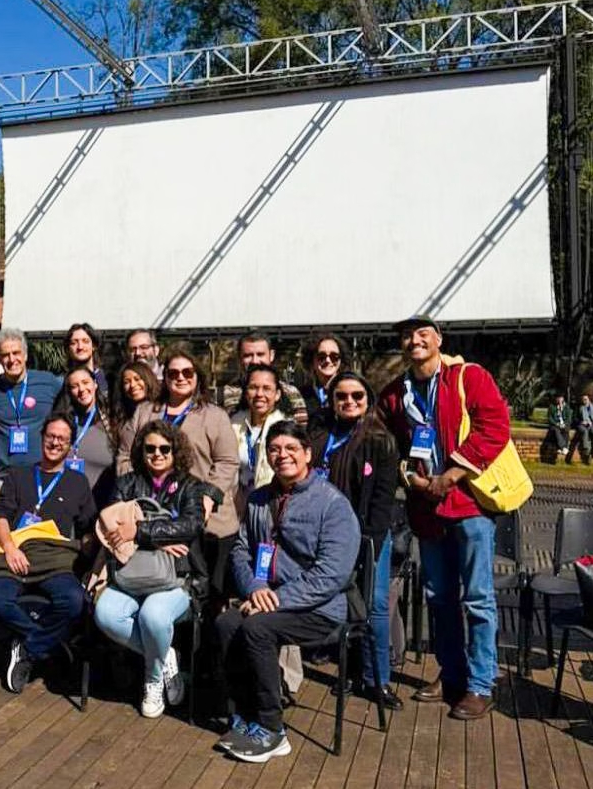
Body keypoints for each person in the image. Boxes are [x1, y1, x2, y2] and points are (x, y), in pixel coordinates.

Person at [378, 315, 512, 720]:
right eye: (406, 336)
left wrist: (451, 475)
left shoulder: (467, 377)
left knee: (477, 598)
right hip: (427, 509)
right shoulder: (395, 393)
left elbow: (495, 426)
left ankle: (480, 683)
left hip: (469, 505)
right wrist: (411, 479)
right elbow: (390, 444)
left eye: (422, 334)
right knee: (439, 598)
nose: (413, 341)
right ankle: (452, 674)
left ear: (439, 339)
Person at [215, 421, 360, 762]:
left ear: (308, 454)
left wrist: (276, 600)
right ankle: (244, 715)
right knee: (225, 624)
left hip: (319, 609)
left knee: (256, 629)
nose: (283, 456)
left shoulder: (332, 505)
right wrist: (256, 587)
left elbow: (331, 575)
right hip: (266, 598)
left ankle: (271, 728)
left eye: (291, 449)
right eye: (275, 450)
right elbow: (241, 550)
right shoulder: (259, 498)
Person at [94, 420, 211, 719]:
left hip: (177, 578)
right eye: (150, 448)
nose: (157, 454)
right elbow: (111, 524)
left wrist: (142, 532)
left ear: (175, 451)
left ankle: (153, 679)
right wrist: (159, 541)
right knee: (105, 614)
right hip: (129, 575)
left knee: (153, 616)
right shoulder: (127, 483)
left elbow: (191, 525)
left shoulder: (190, 486)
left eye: (164, 448)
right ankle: (163, 655)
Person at [309, 372, 401, 710]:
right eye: (342, 396)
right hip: (329, 535)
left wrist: (368, 547)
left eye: (357, 396)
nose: (349, 402)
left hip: (369, 535)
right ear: (332, 401)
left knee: (373, 605)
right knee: (344, 604)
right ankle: (349, 671)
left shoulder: (381, 441)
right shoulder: (320, 438)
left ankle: (378, 679)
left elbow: (382, 501)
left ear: (368, 399)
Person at [0, 415, 96, 692]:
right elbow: (0, 516)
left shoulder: (77, 482)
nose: (55, 442)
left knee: (73, 601)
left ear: (70, 446)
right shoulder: (19, 473)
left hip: (54, 561)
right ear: (42, 436)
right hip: (14, 554)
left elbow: (87, 528)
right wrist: (9, 548)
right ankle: (49, 646)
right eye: (51, 436)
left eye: (62, 439)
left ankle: (27, 649)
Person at [116, 344, 239, 541]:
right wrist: (133, 491)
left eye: (187, 372)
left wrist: (208, 496)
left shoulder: (215, 416)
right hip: (152, 516)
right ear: (165, 378)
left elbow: (227, 461)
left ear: (197, 376)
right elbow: (125, 456)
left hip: (207, 520)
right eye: (173, 373)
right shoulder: (145, 412)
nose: (180, 377)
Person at [0, 327, 63, 479]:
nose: (11, 360)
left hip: (43, 472)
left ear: (25, 355)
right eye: (5, 355)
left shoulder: (48, 382)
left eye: (16, 353)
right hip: (4, 476)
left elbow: (81, 388)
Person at [52, 367, 117, 507]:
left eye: (85, 382)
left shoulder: (112, 421)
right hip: (67, 501)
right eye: (75, 386)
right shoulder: (63, 422)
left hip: (102, 502)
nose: (81, 389)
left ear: (95, 384)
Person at [230, 364, 289, 516]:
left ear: (277, 394)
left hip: (271, 507)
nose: (259, 394)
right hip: (236, 508)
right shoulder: (233, 425)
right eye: (253, 387)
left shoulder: (285, 429)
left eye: (267, 388)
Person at [219, 331, 308, 426]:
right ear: (239, 358)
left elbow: (301, 431)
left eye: (260, 354)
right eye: (248, 355)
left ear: (272, 355)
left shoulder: (290, 393)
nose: (255, 361)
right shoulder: (222, 395)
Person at [300, 333, 351, 428]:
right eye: (321, 356)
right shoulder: (301, 395)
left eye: (334, 356)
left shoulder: (351, 392)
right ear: (312, 361)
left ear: (341, 361)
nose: (328, 361)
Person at [111, 361, 161, 457]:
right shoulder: (122, 415)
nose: (133, 385)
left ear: (148, 380)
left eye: (137, 379)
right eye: (127, 382)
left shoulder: (160, 409)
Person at [63, 322, 108, 395]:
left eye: (85, 341)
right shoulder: (61, 381)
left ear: (94, 346)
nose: (80, 347)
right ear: (68, 349)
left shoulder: (103, 378)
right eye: (74, 343)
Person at [569, 393, 593, 465]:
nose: (584, 401)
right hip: (581, 425)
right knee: (584, 432)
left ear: (589, 399)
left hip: (590, 424)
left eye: (585, 399)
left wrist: (592, 423)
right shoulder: (578, 407)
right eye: (583, 400)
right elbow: (574, 418)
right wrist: (582, 421)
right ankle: (586, 452)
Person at [548, 393, 571, 458]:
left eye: (560, 398)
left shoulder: (566, 407)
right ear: (556, 399)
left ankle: (560, 448)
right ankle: (564, 447)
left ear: (563, 399)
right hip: (555, 425)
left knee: (566, 430)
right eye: (558, 398)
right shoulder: (552, 407)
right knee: (556, 430)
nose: (559, 400)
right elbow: (550, 418)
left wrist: (564, 424)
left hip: (564, 424)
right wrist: (556, 423)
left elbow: (569, 418)